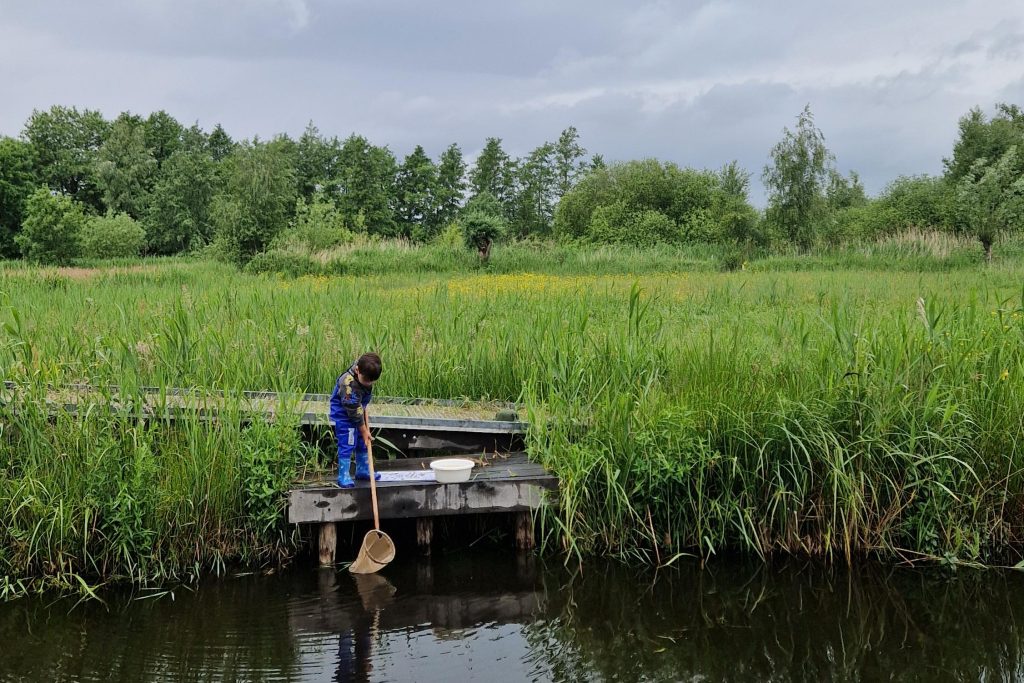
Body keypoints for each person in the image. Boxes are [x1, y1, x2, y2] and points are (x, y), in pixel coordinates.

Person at [329, 352, 382, 488]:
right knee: (348, 442)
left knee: (362, 442)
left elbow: (359, 406)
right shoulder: (348, 385)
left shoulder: (364, 372)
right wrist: (364, 430)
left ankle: (363, 470)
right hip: (345, 415)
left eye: (372, 382)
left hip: (358, 411)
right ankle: (344, 475)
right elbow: (353, 411)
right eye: (366, 381)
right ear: (357, 370)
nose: (369, 384)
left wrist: (363, 426)